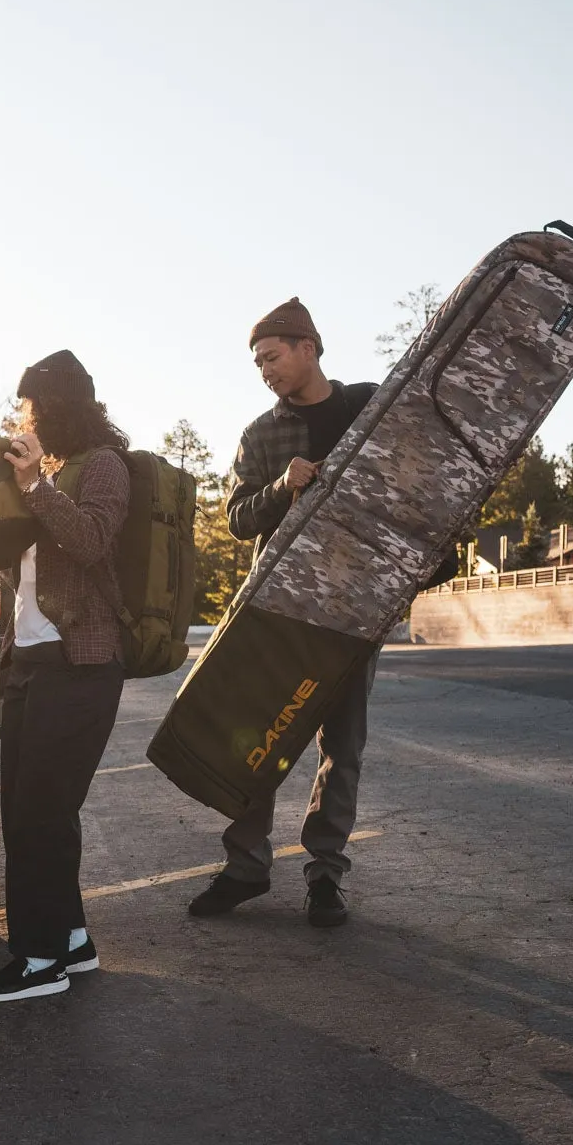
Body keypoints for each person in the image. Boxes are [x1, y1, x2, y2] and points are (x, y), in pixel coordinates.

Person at [187, 297, 451, 928]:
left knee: (343, 748)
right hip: (280, 613)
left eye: (272, 357)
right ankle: (245, 868)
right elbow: (235, 520)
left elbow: (424, 469)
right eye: (257, 364)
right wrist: (284, 486)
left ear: (308, 346)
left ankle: (326, 876)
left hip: (360, 608)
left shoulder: (371, 404)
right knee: (260, 742)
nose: (265, 371)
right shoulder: (262, 435)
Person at [0, 350, 131, 1003]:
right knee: (38, 817)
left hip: (80, 668)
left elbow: (90, 541)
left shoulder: (106, 467)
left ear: (61, 406)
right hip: (30, 666)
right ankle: (70, 942)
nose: (26, 418)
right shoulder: (47, 474)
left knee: (38, 818)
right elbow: (24, 569)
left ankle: (37, 964)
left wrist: (36, 489)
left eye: (34, 406)